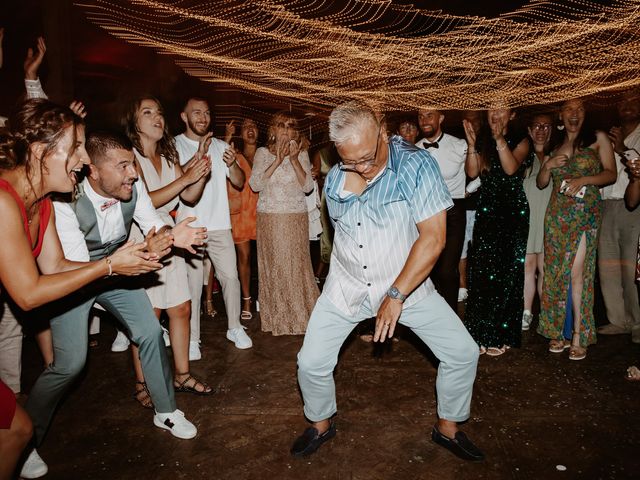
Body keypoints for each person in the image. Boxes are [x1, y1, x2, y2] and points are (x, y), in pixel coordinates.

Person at [291, 101, 483, 462]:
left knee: (462, 353)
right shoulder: (336, 176)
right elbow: (344, 229)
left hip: (404, 287)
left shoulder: (416, 165)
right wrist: (352, 175)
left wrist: (395, 295)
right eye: (351, 160)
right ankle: (320, 423)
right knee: (310, 362)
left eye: (367, 156)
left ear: (383, 133)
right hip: (346, 286)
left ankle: (448, 428)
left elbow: (434, 238)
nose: (362, 166)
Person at [23, 131, 207, 478]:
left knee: (151, 332)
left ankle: (165, 411)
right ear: (93, 170)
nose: (133, 174)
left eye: (132, 164)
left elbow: (153, 226)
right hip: (75, 276)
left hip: (117, 268)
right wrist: (146, 250)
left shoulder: (131, 190)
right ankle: (25, 441)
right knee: (69, 365)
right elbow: (75, 265)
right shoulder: (64, 202)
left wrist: (171, 236)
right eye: (122, 166)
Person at [0, 99, 160, 480]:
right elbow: (28, 294)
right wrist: (109, 265)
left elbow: (56, 267)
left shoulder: (45, 201)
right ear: (41, 152)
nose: (84, 160)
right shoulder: (4, 202)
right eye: (75, 149)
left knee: (17, 431)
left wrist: (115, 268)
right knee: (16, 431)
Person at [123, 96, 213, 401]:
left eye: (159, 112)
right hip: (144, 240)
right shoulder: (130, 158)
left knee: (181, 309)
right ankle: (141, 382)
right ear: (134, 122)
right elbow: (143, 200)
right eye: (147, 112)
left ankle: (182, 375)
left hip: (172, 240)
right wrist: (185, 177)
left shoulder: (168, 156)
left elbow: (188, 196)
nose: (157, 117)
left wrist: (198, 173)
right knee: (149, 316)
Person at [536, 98, 616, 360]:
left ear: (585, 114)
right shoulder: (555, 145)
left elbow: (610, 174)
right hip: (557, 216)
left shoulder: (597, 139)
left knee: (576, 274)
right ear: (561, 115)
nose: (574, 113)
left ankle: (579, 335)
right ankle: (557, 332)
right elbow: (541, 183)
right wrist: (547, 165)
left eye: (580, 109)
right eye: (569, 109)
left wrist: (584, 179)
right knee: (555, 274)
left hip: (584, 215)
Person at [175, 97, 251, 357]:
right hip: (190, 226)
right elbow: (177, 180)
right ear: (184, 117)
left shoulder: (220, 146)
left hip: (220, 225)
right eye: (196, 113)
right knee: (193, 285)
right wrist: (198, 157)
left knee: (230, 277)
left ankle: (234, 327)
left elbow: (239, 183)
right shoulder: (174, 146)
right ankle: (193, 339)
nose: (202, 118)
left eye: (206, 113)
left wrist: (232, 164)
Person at [463, 107, 530, 356]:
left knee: (505, 273)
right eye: (491, 108)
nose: (495, 113)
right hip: (487, 212)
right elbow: (472, 172)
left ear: (512, 114)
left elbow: (511, 168)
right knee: (481, 273)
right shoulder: (484, 141)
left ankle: (500, 334)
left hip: (512, 214)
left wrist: (499, 138)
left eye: (502, 108)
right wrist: (472, 145)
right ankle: (478, 332)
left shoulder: (522, 140)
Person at [249, 112, 320, 335]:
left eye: (291, 126)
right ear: (273, 130)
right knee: (276, 266)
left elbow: (308, 187)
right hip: (270, 217)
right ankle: (278, 317)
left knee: (296, 265)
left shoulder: (302, 153)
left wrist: (294, 159)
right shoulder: (262, 153)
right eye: (281, 125)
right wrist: (278, 161)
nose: (286, 130)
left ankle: (302, 315)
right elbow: (256, 185)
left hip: (295, 217)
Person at [597, 89, 640, 343]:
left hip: (633, 206)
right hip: (606, 205)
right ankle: (617, 320)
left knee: (630, 266)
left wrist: (623, 147)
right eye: (622, 102)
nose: (627, 106)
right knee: (608, 265)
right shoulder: (610, 134)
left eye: (634, 101)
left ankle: (636, 322)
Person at [416, 108, 468, 311]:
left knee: (447, 270)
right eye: (420, 116)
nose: (424, 120)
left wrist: (468, 191)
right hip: (426, 212)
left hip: (453, 211)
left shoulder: (459, 145)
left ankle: (451, 316)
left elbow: (478, 172)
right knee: (429, 268)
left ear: (441, 118)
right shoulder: (416, 149)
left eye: (429, 115)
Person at [521, 113, 554, 330]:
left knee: (546, 268)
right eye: (537, 126)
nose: (541, 130)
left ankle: (549, 314)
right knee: (528, 267)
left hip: (549, 217)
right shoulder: (522, 155)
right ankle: (526, 312)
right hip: (529, 218)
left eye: (546, 126)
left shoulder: (559, 155)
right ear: (530, 130)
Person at [226, 118, 259, 320]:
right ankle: (246, 299)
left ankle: (264, 297)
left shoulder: (267, 155)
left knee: (264, 259)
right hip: (242, 214)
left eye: (253, 126)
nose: (250, 130)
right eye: (246, 127)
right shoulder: (236, 155)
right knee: (244, 258)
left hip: (264, 212)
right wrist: (226, 138)